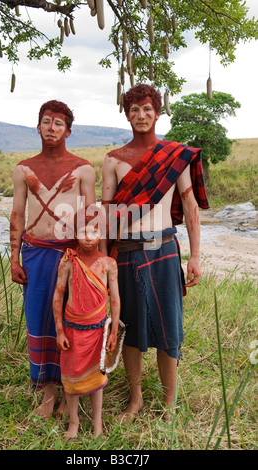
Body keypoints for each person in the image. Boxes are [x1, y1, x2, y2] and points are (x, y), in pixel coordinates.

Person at [101, 84, 209, 422]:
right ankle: (136, 400)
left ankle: (168, 403)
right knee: (129, 329)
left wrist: (195, 256)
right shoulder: (114, 161)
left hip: (164, 250)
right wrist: (103, 262)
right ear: (127, 115)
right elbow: (106, 214)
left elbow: (190, 205)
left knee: (169, 332)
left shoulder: (175, 156)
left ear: (157, 112)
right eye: (134, 110)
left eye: (147, 109)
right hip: (126, 254)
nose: (141, 115)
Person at [10, 100, 96, 419]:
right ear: (38, 126)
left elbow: (91, 218)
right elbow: (17, 214)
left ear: (68, 131)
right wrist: (14, 259)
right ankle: (47, 392)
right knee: (39, 319)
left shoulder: (83, 169)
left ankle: (69, 391)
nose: (52, 127)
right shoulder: (24, 168)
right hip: (34, 253)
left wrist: (89, 261)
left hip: (70, 255)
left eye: (58, 123)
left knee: (70, 322)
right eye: (46, 121)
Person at [52, 206, 120, 438]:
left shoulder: (109, 263)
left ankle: (97, 423)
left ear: (101, 234)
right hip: (72, 331)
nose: (88, 238)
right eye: (83, 232)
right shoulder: (68, 261)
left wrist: (112, 333)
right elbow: (58, 296)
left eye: (94, 232)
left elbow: (116, 300)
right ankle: (74, 421)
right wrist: (60, 331)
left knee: (96, 378)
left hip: (98, 333)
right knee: (70, 378)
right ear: (74, 234)